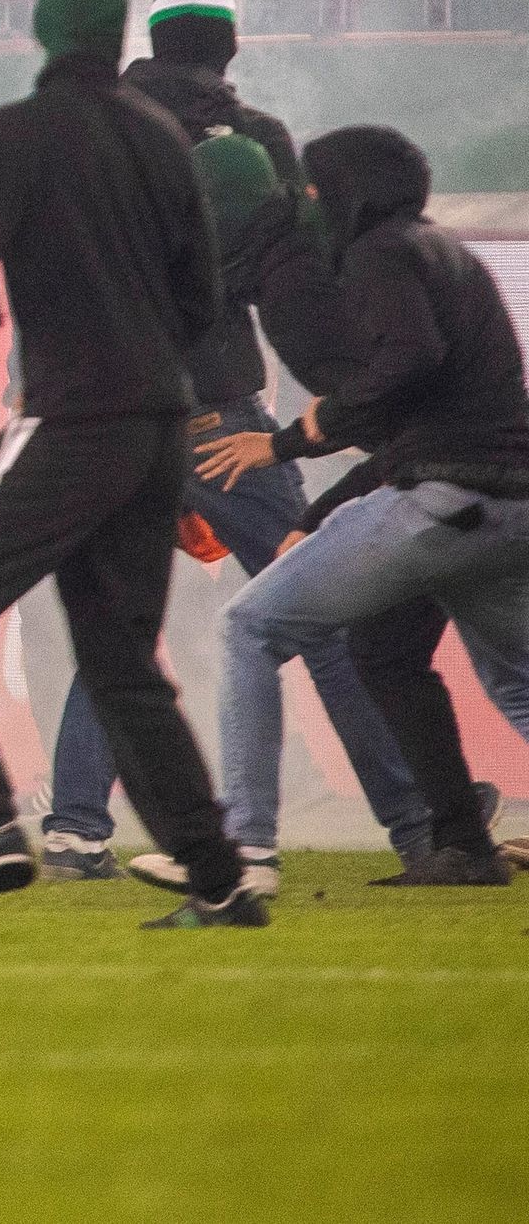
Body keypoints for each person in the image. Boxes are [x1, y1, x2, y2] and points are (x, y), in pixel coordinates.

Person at [0, 0, 259, 928]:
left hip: (71, 416)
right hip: (160, 427)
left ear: (45, 31)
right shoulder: (164, 142)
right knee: (124, 664)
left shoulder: (18, 133)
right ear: (115, 31)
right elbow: (203, 299)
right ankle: (218, 880)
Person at [41, 0, 425, 879]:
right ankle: (419, 814)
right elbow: (297, 279)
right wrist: (354, 391)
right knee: (311, 605)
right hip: (216, 412)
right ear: (231, 50)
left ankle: (73, 825)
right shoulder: (255, 143)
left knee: (119, 623)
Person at [196, 125, 529, 888]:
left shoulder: (375, 255)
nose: (310, 202)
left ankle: (242, 853)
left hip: (444, 496)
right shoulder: (447, 248)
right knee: (478, 672)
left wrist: (302, 445)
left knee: (250, 625)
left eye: (317, 188)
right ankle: (461, 845)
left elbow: (407, 366)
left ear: (350, 190)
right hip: (511, 503)